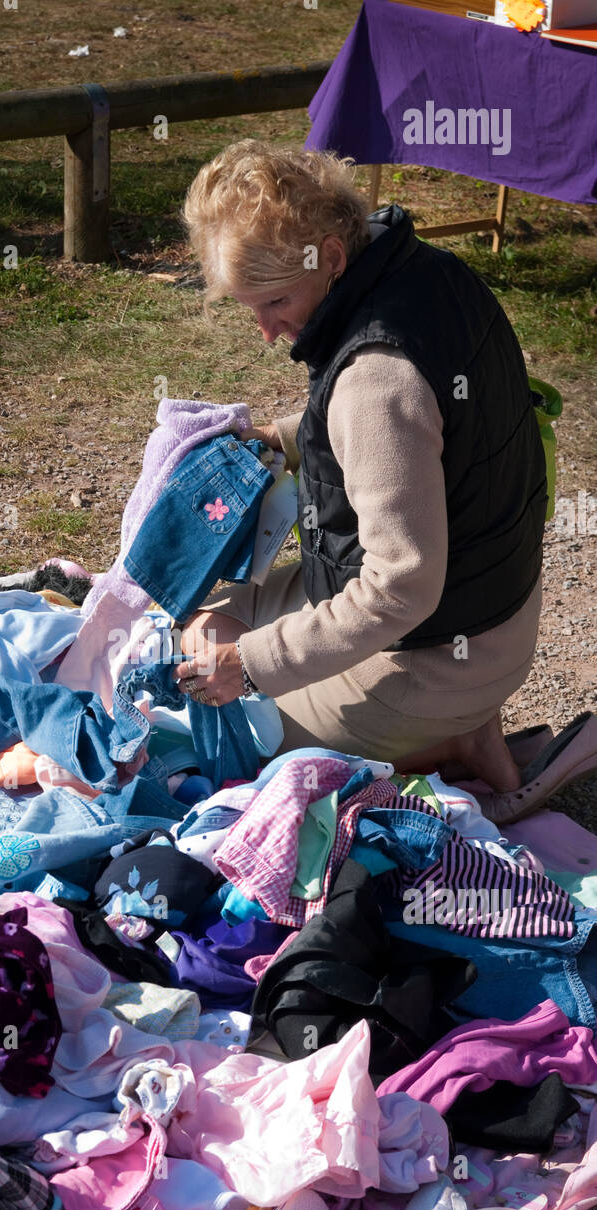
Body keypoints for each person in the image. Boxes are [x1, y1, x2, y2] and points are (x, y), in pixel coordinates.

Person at [171, 139, 550, 793]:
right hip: (490, 619)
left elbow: (400, 590)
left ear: (332, 257)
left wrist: (254, 666)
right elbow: (424, 429)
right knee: (206, 623)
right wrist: (284, 437)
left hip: (437, 660)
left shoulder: (375, 380)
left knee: (220, 727)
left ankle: (439, 740)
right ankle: (457, 728)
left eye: (274, 303)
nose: (265, 330)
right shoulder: (429, 273)